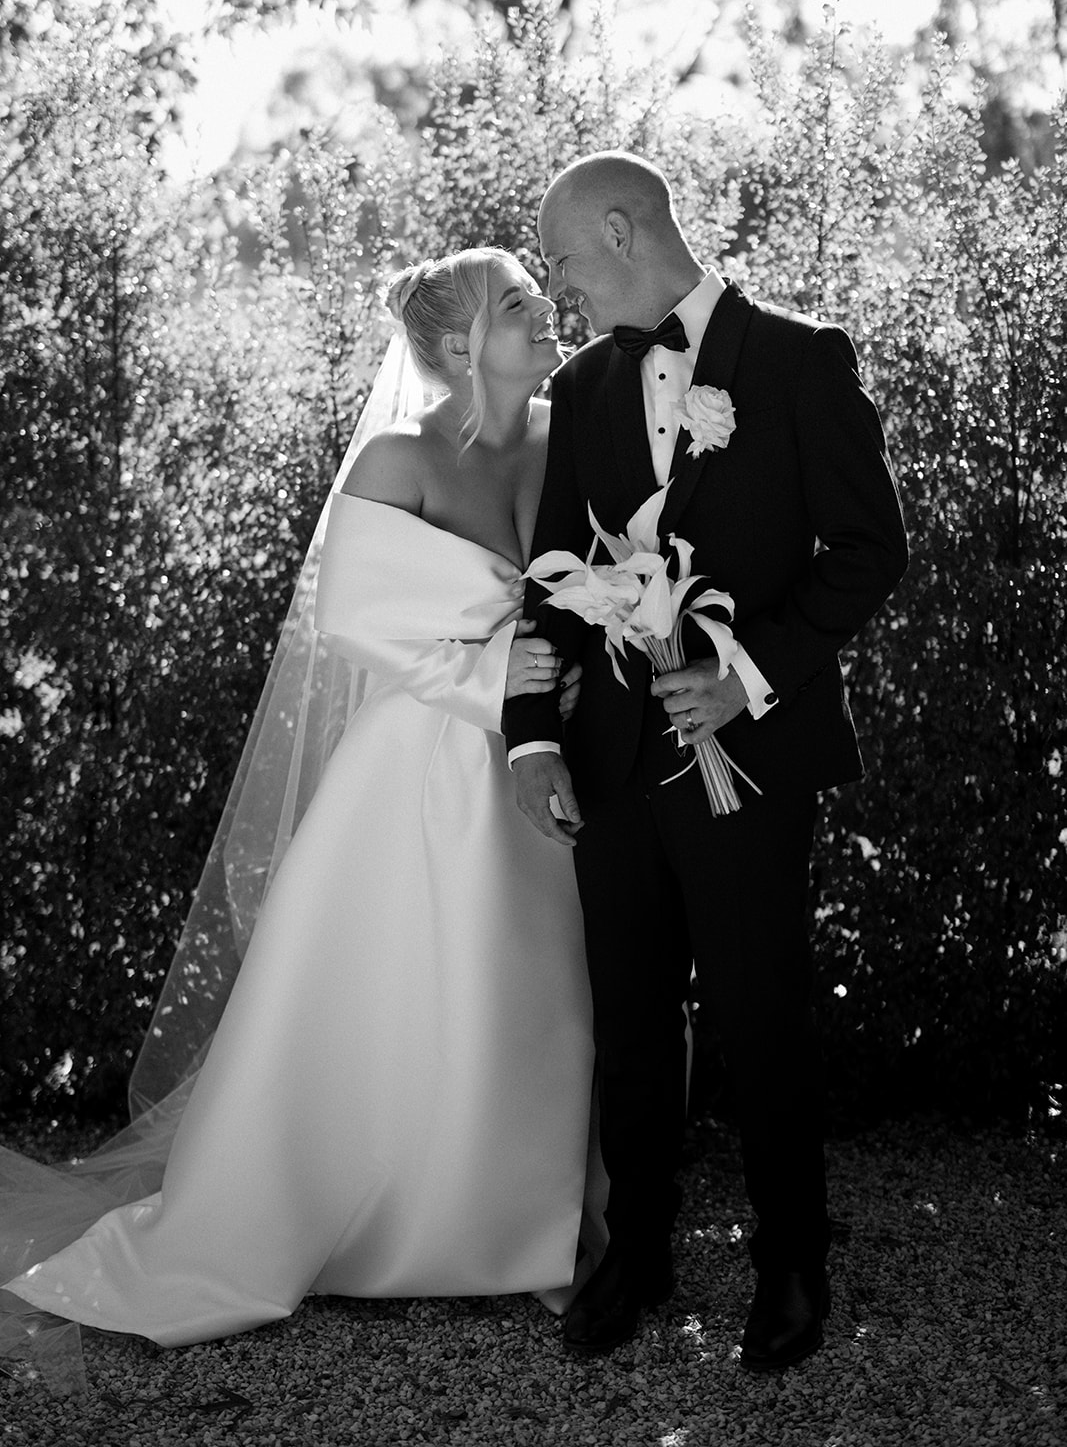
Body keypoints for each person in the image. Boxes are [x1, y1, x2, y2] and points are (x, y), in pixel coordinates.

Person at [0, 247, 604, 1386]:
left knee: (533, 984)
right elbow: (357, 620)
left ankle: (521, 1220)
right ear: (462, 344)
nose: (544, 312)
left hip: (549, 759)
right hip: (423, 764)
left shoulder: (565, 435)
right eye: (518, 303)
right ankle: (380, 1217)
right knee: (416, 983)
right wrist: (500, 678)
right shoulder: (396, 458)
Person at [505, 152, 909, 1370]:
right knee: (628, 1016)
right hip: (612, 759)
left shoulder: (796, 358)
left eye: (564, 258)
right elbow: (550, 582)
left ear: (620, 230)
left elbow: (868, 548)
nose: (561, 286)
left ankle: (791, 1260)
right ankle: (636, 1251)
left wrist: (748, 672)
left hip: (753, 753)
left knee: (759, 1009)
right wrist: (531, 735)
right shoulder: (580, 386)